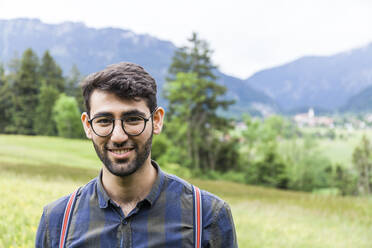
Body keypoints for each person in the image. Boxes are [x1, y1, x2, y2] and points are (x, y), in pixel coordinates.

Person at [35, 62, 237, 247]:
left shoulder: (208, 216)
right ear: (88, 126)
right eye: (104, 121)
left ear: (156, 120)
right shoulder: (57, 221)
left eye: (132, 119)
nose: (118, 136)